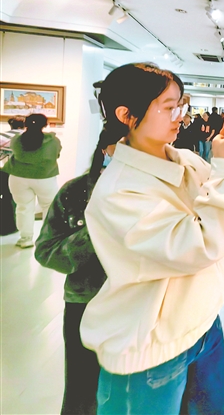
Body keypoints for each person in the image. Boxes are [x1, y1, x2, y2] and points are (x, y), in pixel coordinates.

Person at [79, 63, 224, 414]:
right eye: (169, 107)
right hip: (150, 346)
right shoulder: (119, 192)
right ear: (126, 115)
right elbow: (203, 243)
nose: (180, 116)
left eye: (181, 105)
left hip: (204, 323)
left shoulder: (187, 160)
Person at [35, 131, 119, 415]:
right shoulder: (76, 192)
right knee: (82, 394)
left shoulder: (159, 194)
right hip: (86, 302)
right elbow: (45, 251)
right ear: (104, 150)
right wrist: (95, 230)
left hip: (143, 305)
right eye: (121, 148)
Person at [4, 114, 62, 248]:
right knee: (48, 207)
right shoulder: (53, 141)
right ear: (45, 125)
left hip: (19, 177)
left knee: (23, 207)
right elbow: (57, 154)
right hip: (45, 178)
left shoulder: (16, 140)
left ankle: (25, 239)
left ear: (26, 124)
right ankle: (47, 238)